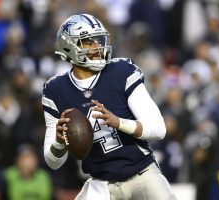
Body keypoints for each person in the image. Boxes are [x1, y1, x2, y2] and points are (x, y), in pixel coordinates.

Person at [42, 13, 177, 200]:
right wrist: (59, 142)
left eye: (99, 40)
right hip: (100, 182)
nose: (97, 46)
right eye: (88, 42)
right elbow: (53, 162)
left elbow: (158, 129)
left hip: (142, 173)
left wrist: (119, 122)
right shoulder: (55, 90)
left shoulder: (121, 71)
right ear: (69, 46)